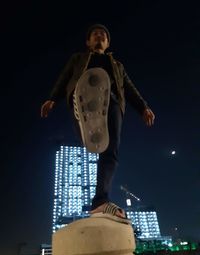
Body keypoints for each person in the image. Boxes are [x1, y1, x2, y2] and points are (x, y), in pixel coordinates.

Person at [41, 24, 155, 221]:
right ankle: (87, 117)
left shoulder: (117, 65)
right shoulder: (78, 58)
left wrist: (143, 107)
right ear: (88, 42)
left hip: (111, 103)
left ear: (108, 42)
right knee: (95, 144)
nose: (99, 35)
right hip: (84, 99)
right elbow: (64, 77)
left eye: (103, 35)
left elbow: (129, 88)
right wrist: (53, 98)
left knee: (110, 150)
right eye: (95, 34)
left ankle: (100, 201)